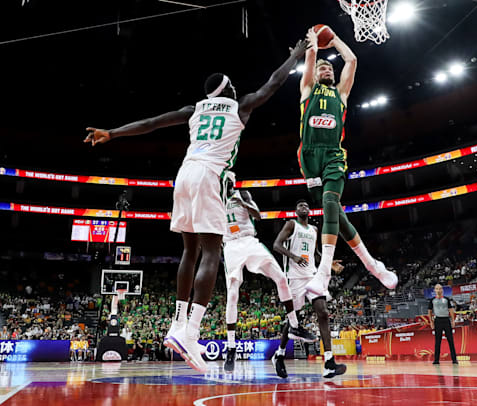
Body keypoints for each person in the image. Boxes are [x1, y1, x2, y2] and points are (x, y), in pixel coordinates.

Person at [84, 39, 309, 372]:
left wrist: (112, 133)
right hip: (209, 175)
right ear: (228, 89)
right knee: (212, 253)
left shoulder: (194, 110)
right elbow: (273, 83)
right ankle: (191, 332)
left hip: (184, 174)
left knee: (190, 251)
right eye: (232, 86)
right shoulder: (240, 106)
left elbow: (152, 123)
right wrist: (295, 56)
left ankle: (177, 324)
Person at [296, 26, 398, 297]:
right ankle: (374, 266)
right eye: (322, 68)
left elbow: (351, 60)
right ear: (314, 75)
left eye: (329, 68)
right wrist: (313, 44)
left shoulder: (340, 93)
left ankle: (324, 272)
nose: (326, 70)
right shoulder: (307, 89)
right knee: (336, 216)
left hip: (333, 154)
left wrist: (335, 40)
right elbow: (310, 60)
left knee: (331, 203)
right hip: (309, 158)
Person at [221, 185, 316, 373]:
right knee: (232, 294)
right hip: (230, 246)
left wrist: (244, 204)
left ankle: (295, 326)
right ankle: (231, 348)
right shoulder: (215, 199)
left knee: (280, 277)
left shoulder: (242, 194)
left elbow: (258, 216)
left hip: (249, 241)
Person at [271, 200, 346, 379]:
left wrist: (329, 262)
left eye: (306, 205)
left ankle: (329, 362)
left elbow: (315, 253)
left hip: (312, 275)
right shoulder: (291, 225)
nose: (303, 207)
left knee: (323, 312)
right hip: (294, 277)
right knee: (293, 321)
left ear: (310, 211)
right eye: (300, 206)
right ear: (296, 211)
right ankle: (279, 354)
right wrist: (294, 257)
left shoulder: (314, 229)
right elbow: (276, 245)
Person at [428, 284, 457, 364]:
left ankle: (454, 359)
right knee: (437, 341)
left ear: (442, 290)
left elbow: (451, 310)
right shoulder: (432, 300)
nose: (438, 290)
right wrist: (431, 321)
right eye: (437, 289)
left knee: (450, 340)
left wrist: (453, 320)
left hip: (446, 320)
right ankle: (436, 360)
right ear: (435, 290)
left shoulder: (446, 299)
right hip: (437, 321)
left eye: (440, 288)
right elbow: (429, 311)